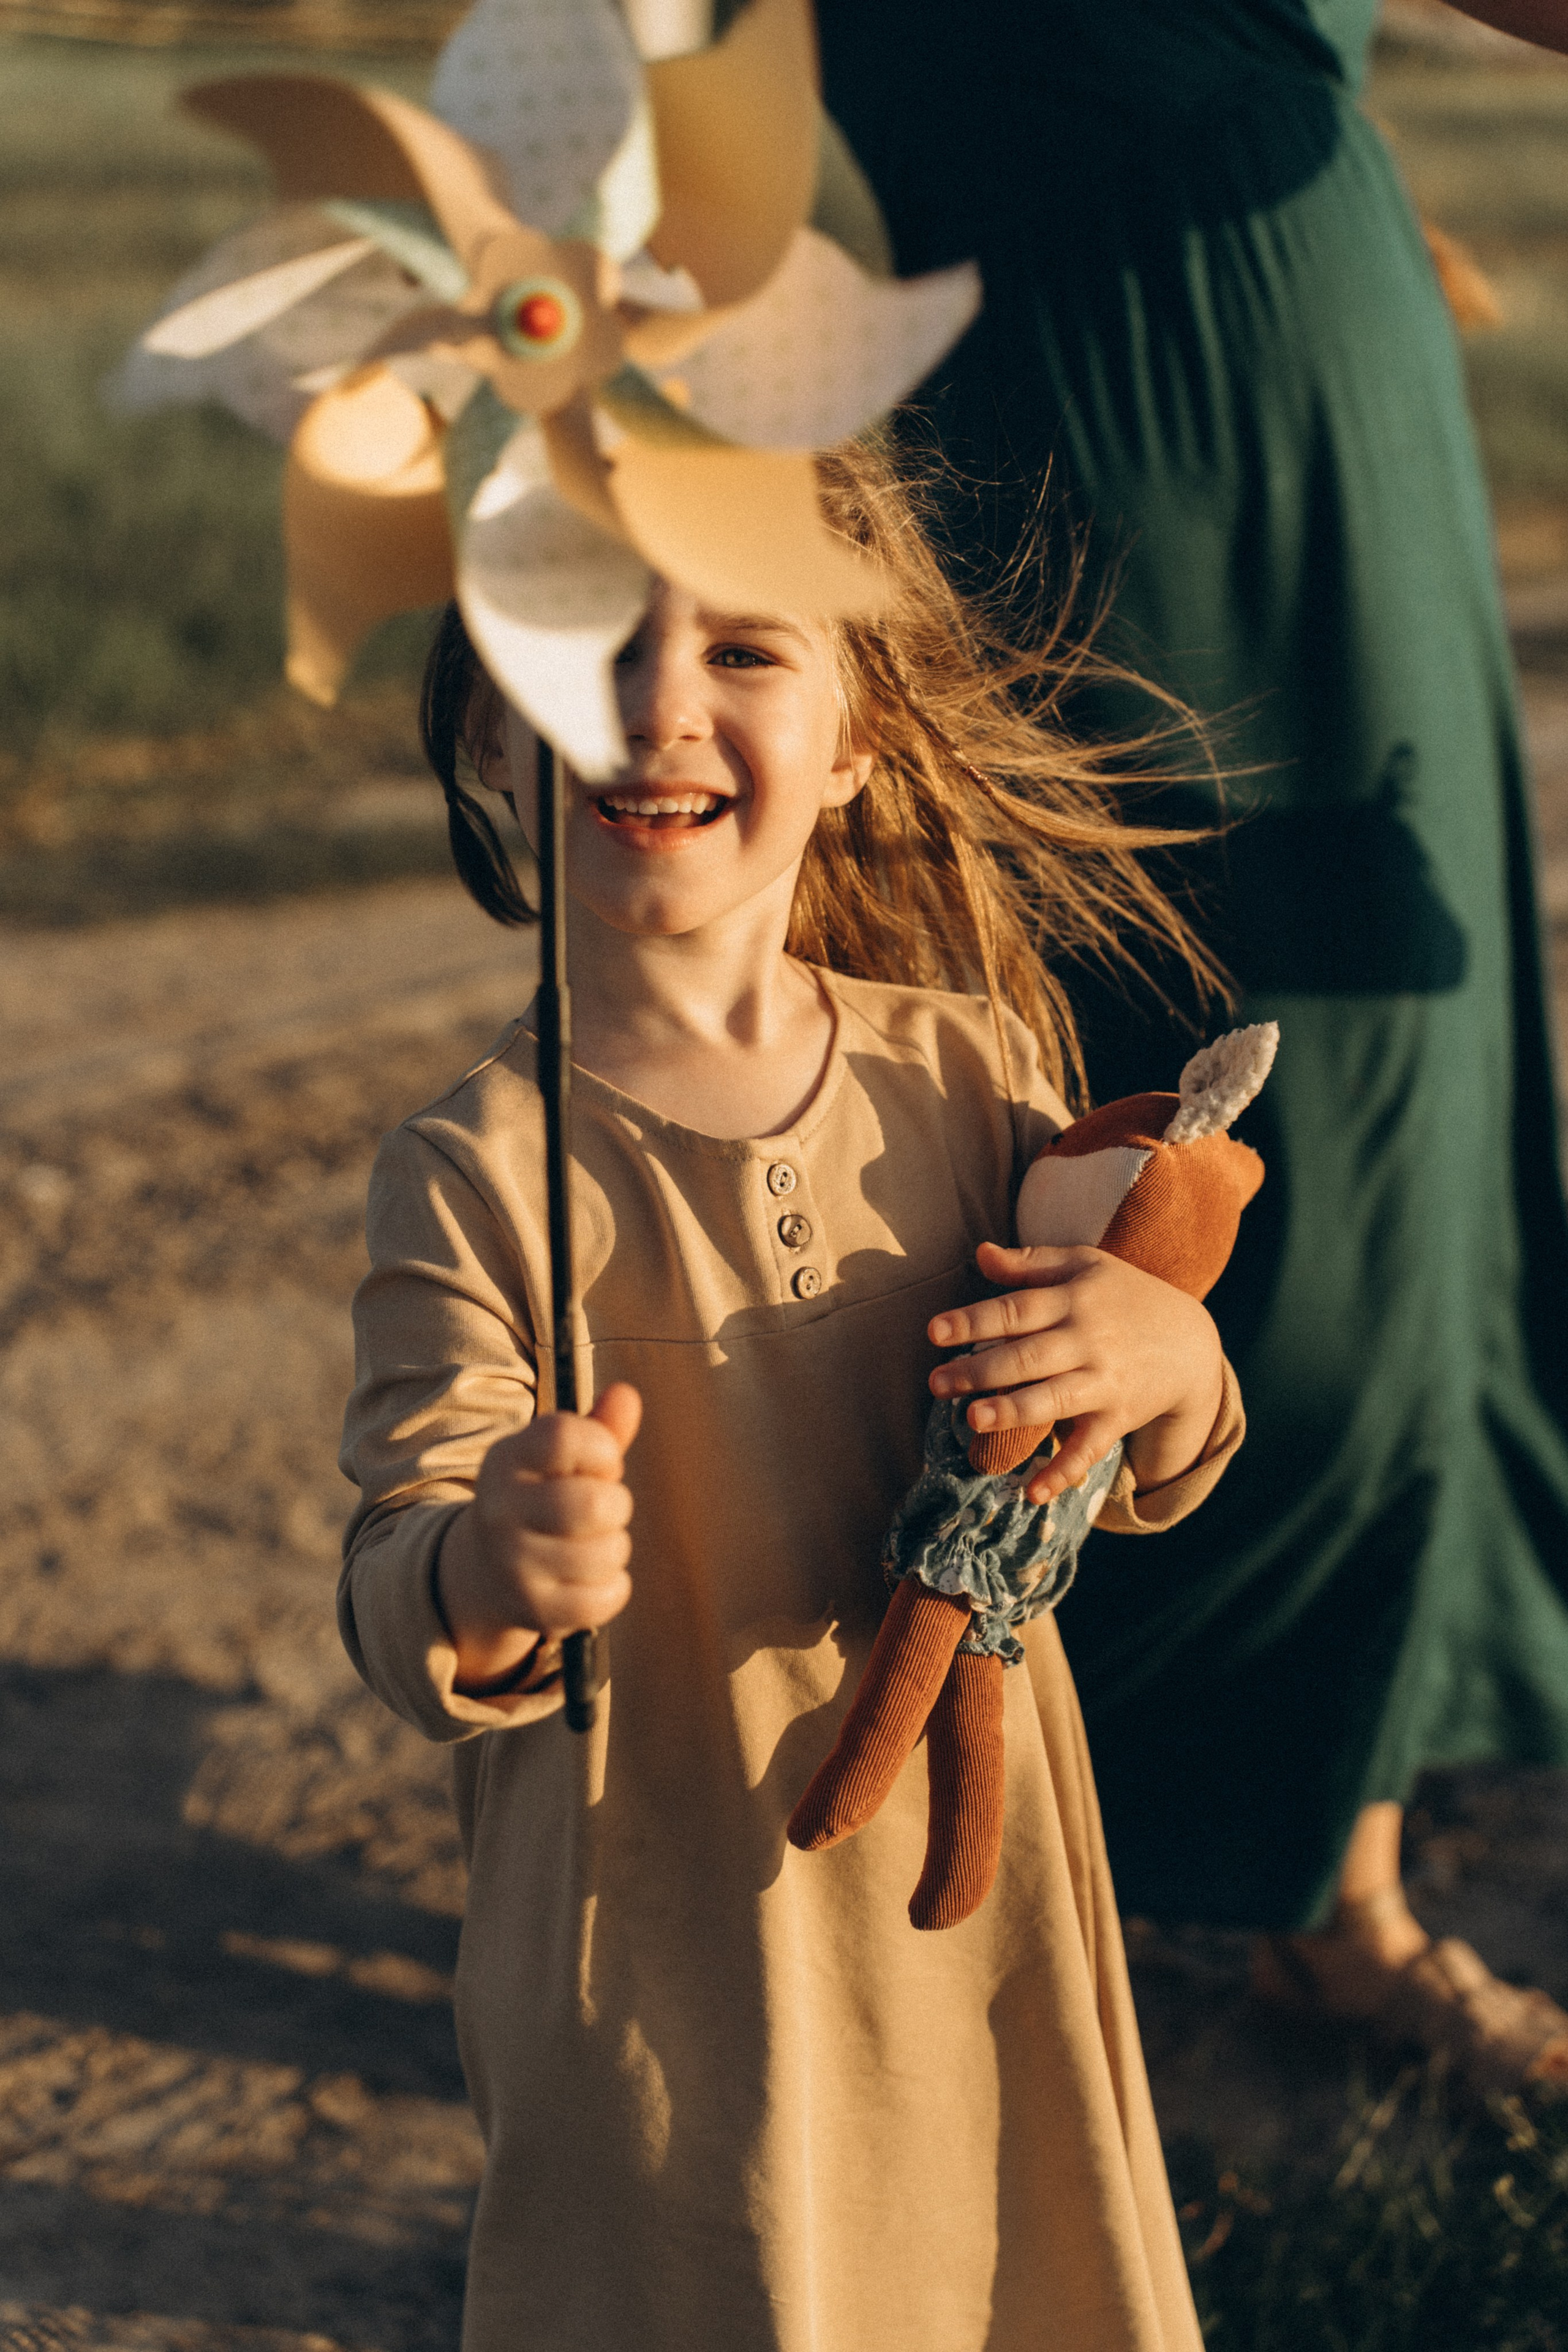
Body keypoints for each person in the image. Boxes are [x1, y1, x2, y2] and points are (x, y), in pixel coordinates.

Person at [338, 440, 1245, 2352]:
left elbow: (1106, 1455)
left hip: (964, 1932)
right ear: (488, 736)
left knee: (1006, 2277)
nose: (660, 703)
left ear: (856, 738)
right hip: (662, 1970)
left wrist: (1171, 1367)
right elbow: (398, 1574)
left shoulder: (976, 1069)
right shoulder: (474, 1173)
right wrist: (495, 1558)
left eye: (747, 648)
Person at [819, 0, 1568, 2087]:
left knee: (1359, 1144)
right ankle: (931, 1841)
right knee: (1015, 1100)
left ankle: (1343, 1892)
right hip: (1017, 387)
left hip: (1288, 344)